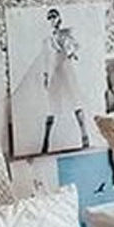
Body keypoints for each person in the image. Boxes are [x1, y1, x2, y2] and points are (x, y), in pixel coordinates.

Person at [40, 8, 90, 153]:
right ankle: (46, 141)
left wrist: (71, 52)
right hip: (55, 72)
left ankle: (85, 136)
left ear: (59, 19)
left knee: (75, 101)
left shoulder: (65, 34)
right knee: (51, 106)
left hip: (66, 70)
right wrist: (45, 75)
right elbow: (46, 57)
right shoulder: (48, 39)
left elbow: (75, 46)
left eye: (54, 17)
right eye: (50, 18)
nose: (52, 20)